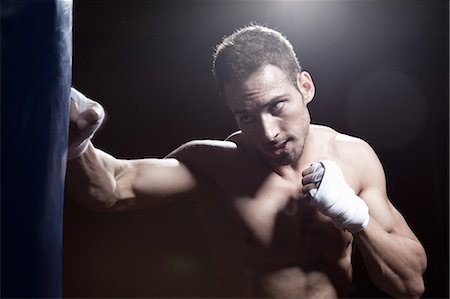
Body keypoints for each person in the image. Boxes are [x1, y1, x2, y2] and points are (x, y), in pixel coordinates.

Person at [66, 24, 426, 298]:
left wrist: (356, 217)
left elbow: (410, 285)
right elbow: (113, 187)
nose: (268, 132)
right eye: (246, 116)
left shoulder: (354, 157)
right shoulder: (216, 166)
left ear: (305, 87)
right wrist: (78, 143)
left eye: (276, 106)